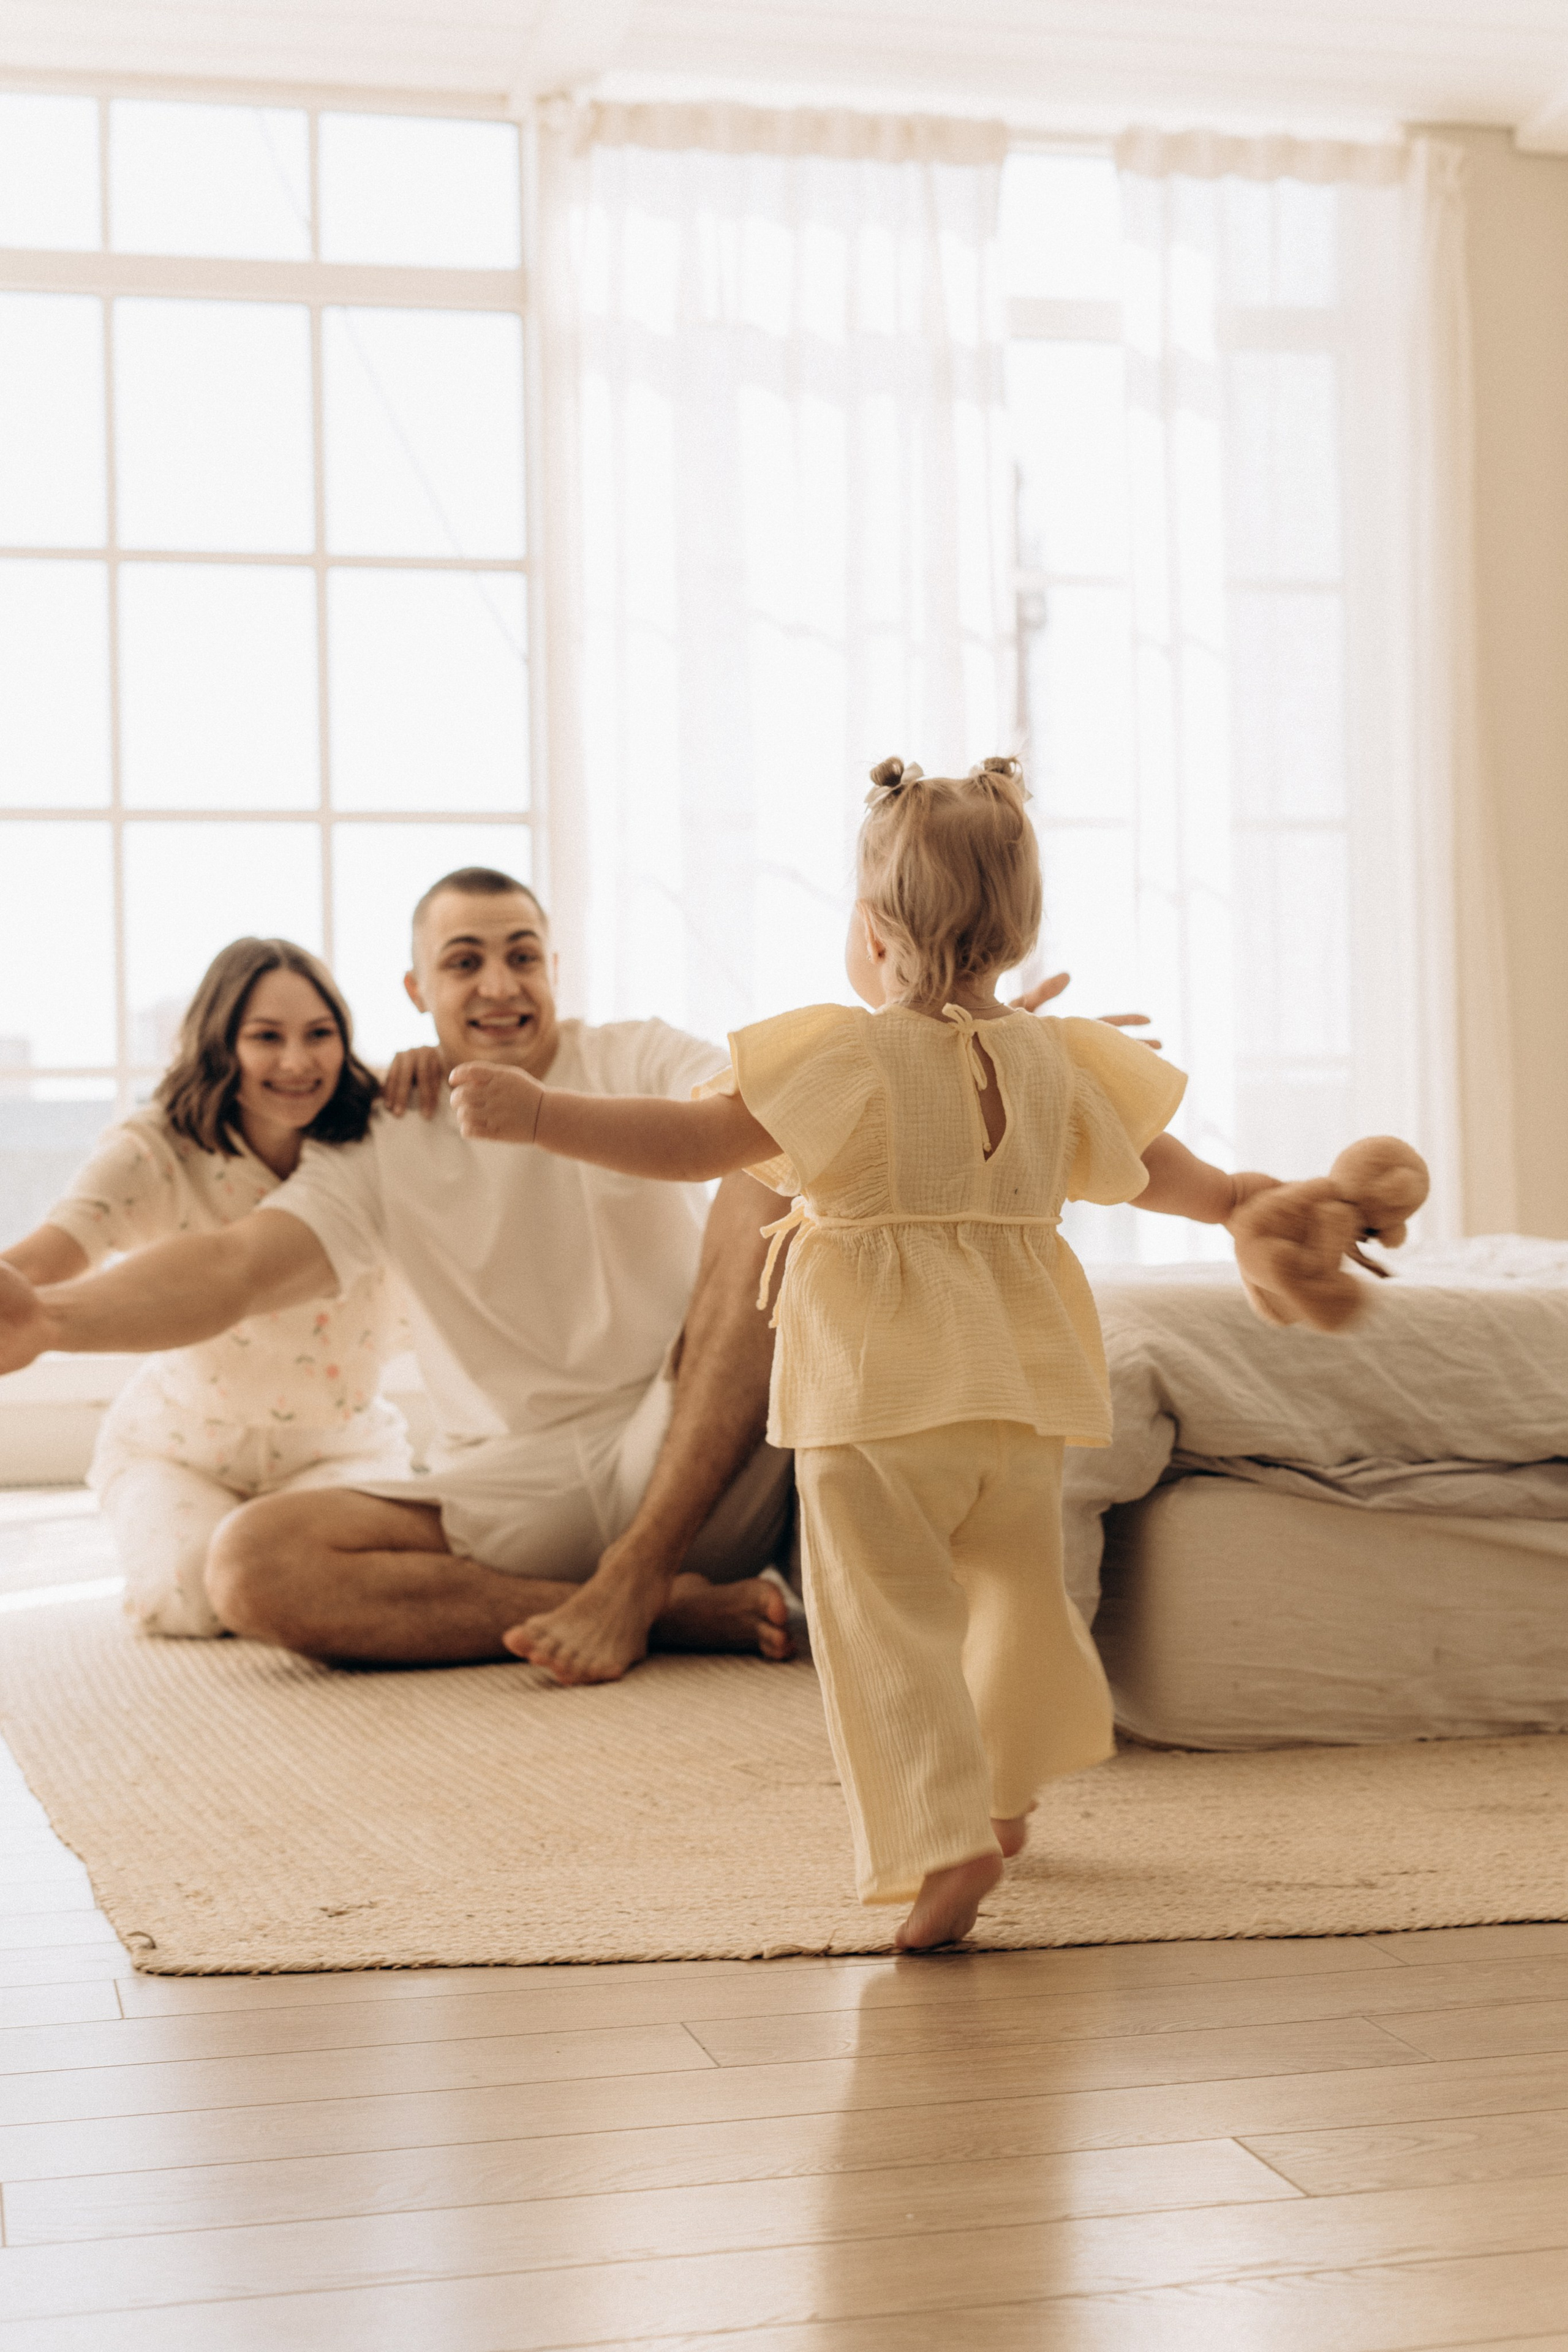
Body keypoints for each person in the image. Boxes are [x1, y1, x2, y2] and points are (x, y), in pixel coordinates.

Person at [445, 757, 1289, 1948]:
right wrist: (1257, 1202)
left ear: (875, 930)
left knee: (884, 1626)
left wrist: (541, 1117)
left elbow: (692, 1143)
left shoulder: (840, 1059)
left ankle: (940, 1841)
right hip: (1023, 1398)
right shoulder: (1059, 1063)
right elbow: (1173, 1178)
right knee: (1012, 1597)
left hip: (874, 1404)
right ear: (1015, 926)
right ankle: (1002, 1796)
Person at [0, 869, 801, 1679]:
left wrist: (543, 1116)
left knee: (765, 1164)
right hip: (517, 1483)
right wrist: (51, 1319)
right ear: (417, 989)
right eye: (463, 963)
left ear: (553, 970)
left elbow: (772, 1115)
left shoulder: (638, 1054)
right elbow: (238, 1267)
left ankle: (637, 1576)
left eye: (522, 957)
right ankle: (656, 1609)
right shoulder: (384, 1131)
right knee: (248, 1564)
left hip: (691, 1446)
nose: (498, 984)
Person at [1, 940, 412, 1637]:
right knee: (193, 1599)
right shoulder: (155, 1146)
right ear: (221, 1044)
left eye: (320, 1034)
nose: (297, 1061)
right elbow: (54, 1253)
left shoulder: (379, 1136)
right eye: (266, 1038)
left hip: (336, 1446)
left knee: (309, 1585)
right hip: (182, 1447)